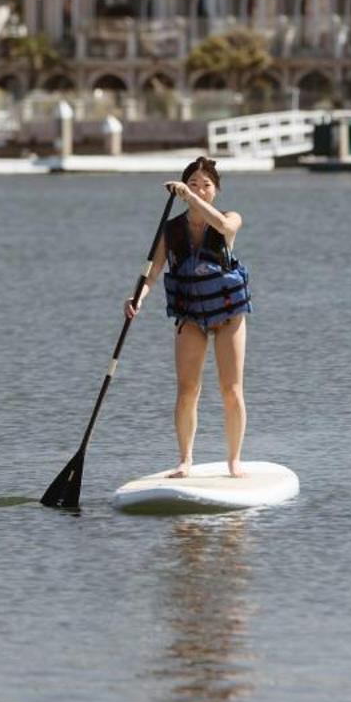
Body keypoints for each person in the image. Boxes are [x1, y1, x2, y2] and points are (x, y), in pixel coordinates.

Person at [126, 156, 250, 478]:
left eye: (205, 185)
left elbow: (223, 227)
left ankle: (234, 461)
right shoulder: (171, 230)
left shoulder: (229, 218)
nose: (198, 189)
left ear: (216, 191)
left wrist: (190, 197)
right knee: (186, 390)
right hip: (191, 315)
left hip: (227, 315)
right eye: (192, 183)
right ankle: (185, 459)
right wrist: (136, 298)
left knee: (231, 390)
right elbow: (152, 273)